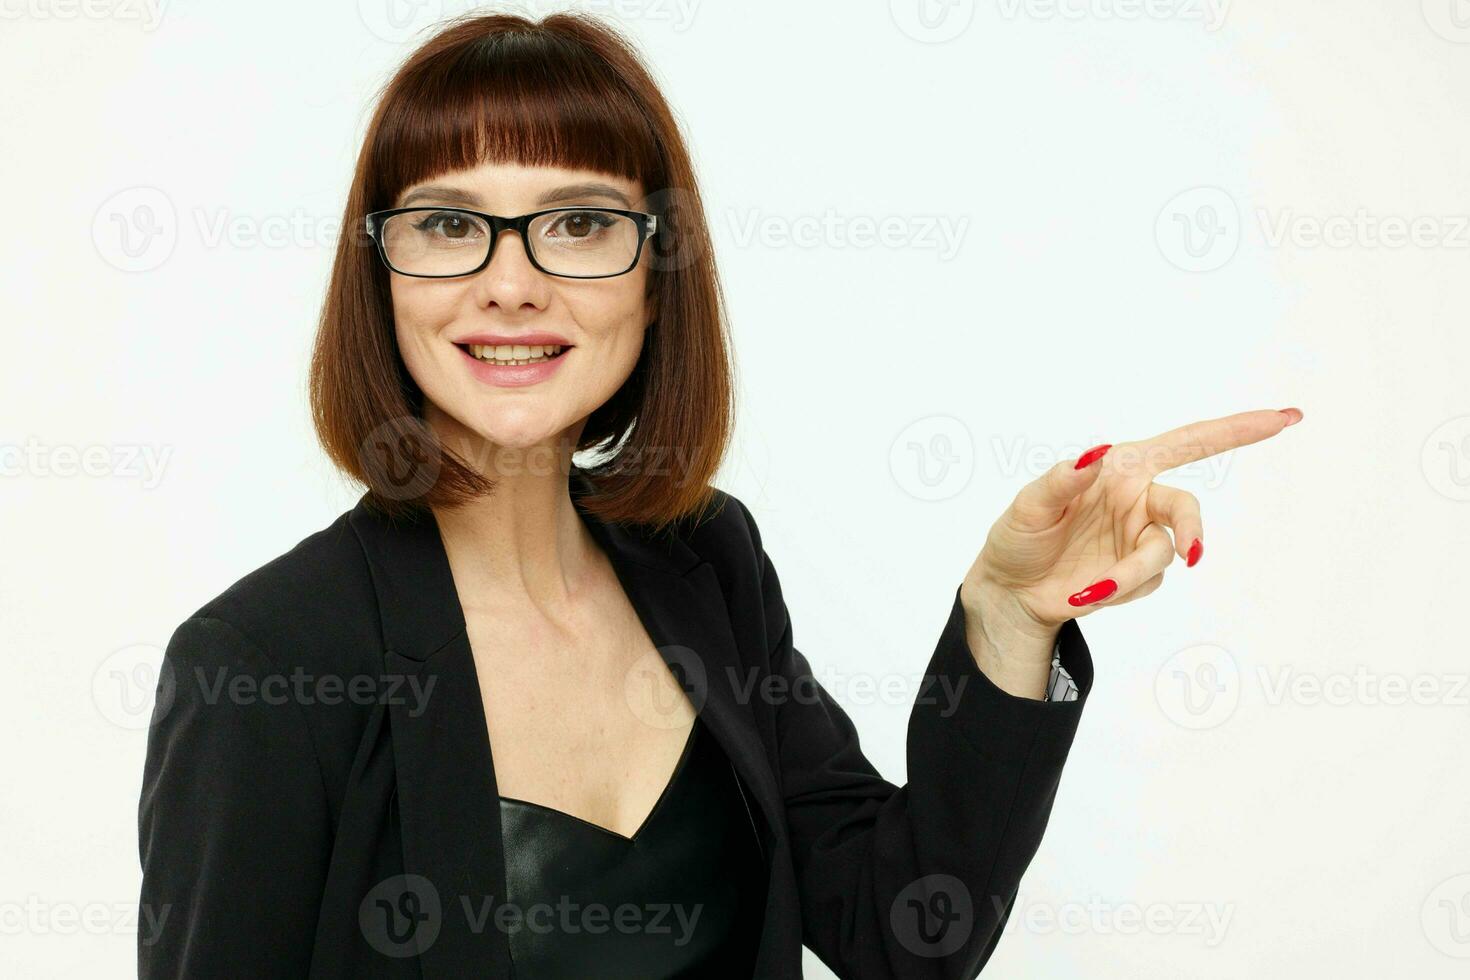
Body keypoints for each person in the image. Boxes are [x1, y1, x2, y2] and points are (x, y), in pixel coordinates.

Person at [136, 11, 1303, 978]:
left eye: (581, 223)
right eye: (450, 224)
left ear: (656, 279)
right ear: (380, 275)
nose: (511, 281)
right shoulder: (259, 662)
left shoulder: (704, 560)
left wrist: (1010, 617)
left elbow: (900, 931)